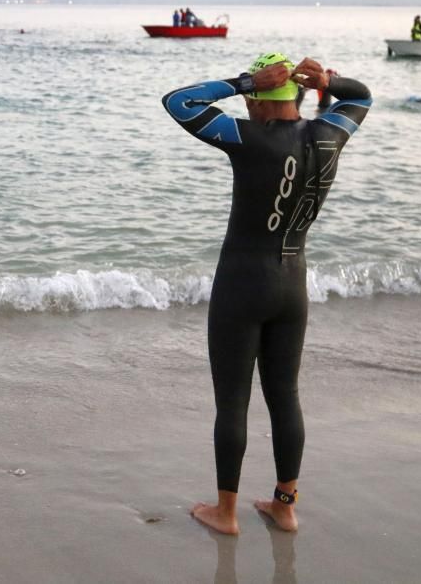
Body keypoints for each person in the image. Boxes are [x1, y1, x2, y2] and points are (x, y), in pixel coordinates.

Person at [161, 53, 371, 535]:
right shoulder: (329, 133)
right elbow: (362, 97)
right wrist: (330, 81)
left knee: (233, 403)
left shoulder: (246, 137)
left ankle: (227, 513)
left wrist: (240, 82)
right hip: (293, 285)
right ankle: (284, 506)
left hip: (242, 284)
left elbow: (178, 101)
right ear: (296, 95)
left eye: (252, 97)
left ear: (259, 98)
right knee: (285, 396)